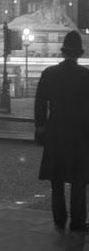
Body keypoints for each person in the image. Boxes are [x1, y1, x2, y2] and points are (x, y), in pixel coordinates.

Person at [35, 30, 89, 233]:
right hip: (79, 133)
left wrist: (40, 129)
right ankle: (77, 221)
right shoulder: (86, 76)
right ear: (79, 54)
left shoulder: (49, 73)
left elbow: (40, 104)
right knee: (79, 180)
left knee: (56, 180)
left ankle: (59, 218)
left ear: (63, 52)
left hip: (55, 130)